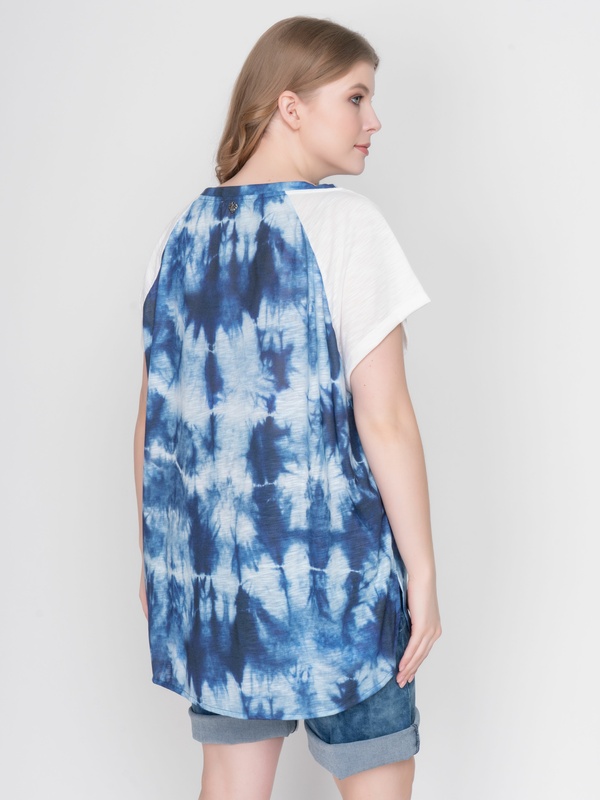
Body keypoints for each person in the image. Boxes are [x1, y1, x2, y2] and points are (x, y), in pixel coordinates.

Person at [134, 15, 441, 800]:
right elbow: (385, 419)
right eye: (357, 97)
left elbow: (155, 425)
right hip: (342, 583)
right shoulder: (346, 224)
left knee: (230, 784)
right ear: (291, 106)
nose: (374, 120)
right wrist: (423, 573)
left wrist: (158, 561)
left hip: (219, 586)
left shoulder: (180, 234)